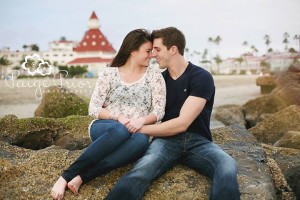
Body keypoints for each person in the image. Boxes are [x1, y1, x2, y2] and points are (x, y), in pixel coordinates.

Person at [105, 27, 240, 200]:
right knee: (143, 168)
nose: (153, 55)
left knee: (226, 164)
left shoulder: (201, 77)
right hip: (165, 142)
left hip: (199, 142)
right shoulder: (158, 80)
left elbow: (182, 123)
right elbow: (136, 104)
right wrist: (110, 105)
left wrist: (138, 128)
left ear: (173, 49)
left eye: (158, 49)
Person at [50, 29, 166, 200]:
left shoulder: (154, 77)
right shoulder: (109, 74)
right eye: (148, 51)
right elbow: (94, 108)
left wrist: (141, 121)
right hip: (106, 127)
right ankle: (65, 177)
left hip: (137, 131)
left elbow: (159, 111)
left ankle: (82, 177)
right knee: (120, 130)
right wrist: (118, 117)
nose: (152, 56)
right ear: (133, 51)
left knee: (141, 142)